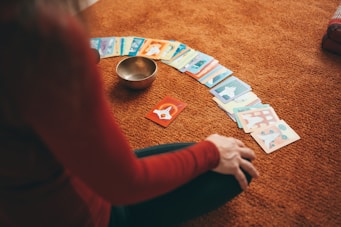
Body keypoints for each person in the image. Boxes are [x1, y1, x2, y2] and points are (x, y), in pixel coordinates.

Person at [0, 0, 259, 226]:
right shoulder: (43, 44)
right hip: (86, 214)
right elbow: (125, 185)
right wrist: (211, 152)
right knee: (235, 169)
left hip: (20, 205)